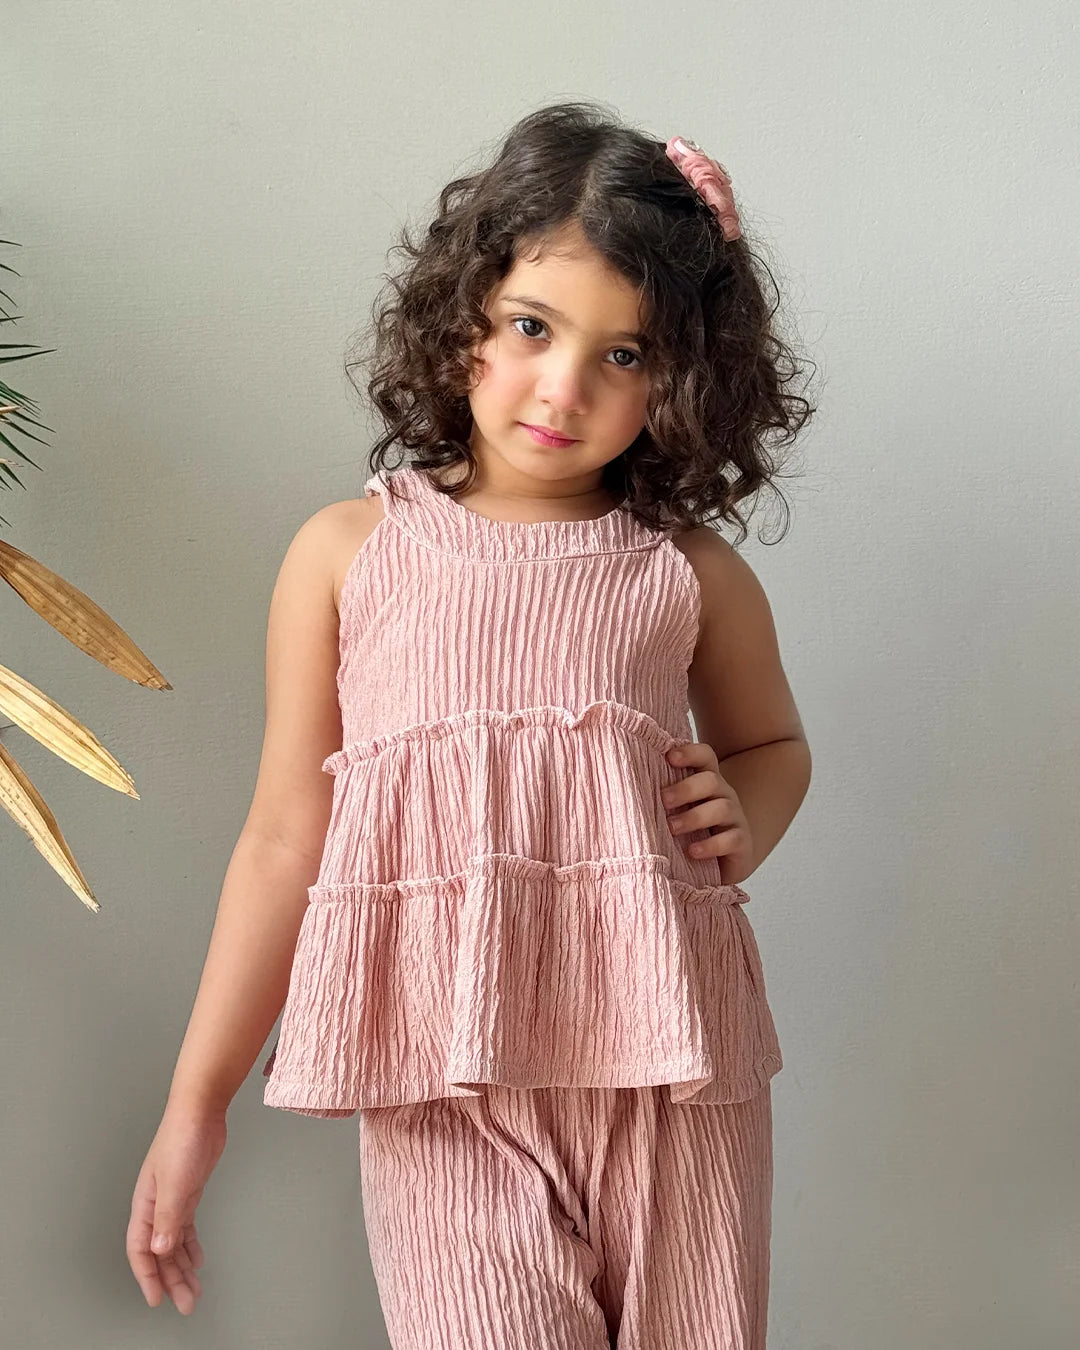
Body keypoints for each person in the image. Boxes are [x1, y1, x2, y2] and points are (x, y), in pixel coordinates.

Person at [127, 100, 816, 1348]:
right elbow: (289, 837)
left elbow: (774, 747)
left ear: (686, 378)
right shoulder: (350, 556)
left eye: (627, 354)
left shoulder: (686, 571)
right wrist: (197, 1102)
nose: (565, 386)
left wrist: (747, 812)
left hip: (676, 1070)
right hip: (442, 1073)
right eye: (532, 327)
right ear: (463, 320)